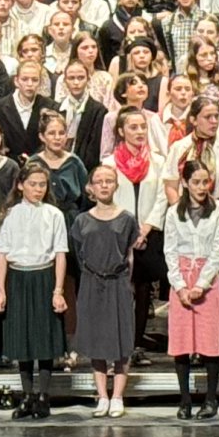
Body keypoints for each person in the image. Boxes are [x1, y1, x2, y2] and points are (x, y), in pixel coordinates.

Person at [0, 162, 71, 415]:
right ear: (20, 185)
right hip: (18, 278)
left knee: (44, 337)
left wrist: (58, 291)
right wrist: (1, 291)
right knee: (22, 338)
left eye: (42, 185)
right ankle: (27, 395)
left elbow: (60, 253)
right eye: (33, 184)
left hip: (44, 276)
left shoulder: (54, 214)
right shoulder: (11, 215)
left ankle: (44, 395)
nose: (38, 189)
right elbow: (3, 255)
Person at [69, 159, 140, 417]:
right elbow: (79, 252)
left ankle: (118, 396)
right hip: (92, 282)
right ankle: (102, 396)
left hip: (118, 282)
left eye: (109, 181)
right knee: (95, 339)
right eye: (99, 181)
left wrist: (126, 282)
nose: (104, 185)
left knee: (122, 339)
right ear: (90, 187)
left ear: (116, 185)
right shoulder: (82, 221)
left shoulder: (127, 219)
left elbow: (130, 254)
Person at [164, 157, 219, 419]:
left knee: (209, 341)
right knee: (182, 342)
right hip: (181, 278)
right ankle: (185, 400)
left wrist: (201, 284)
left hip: (207, 280)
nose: (202, 187)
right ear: (185, 183)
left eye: (206, 182)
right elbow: (170, 251)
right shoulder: (173, 213)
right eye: (196, 182)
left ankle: (211, 399)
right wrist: (180, 286)